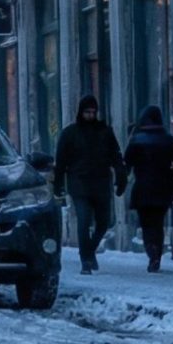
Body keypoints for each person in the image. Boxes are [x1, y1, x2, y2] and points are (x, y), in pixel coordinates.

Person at [51, 95, 126, 275]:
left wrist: (121, 176)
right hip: (79, 184)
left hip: (101, 183)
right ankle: (85, 259)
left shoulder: (105, 132)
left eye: (93, 112)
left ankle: (90, 250)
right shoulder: (70, 133)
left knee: (103, 222)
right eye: (87, 112)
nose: (90, 115)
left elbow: (116, 156)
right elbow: (60, 161)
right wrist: (58, 184)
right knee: (84, 221)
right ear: (81, 112)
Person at [122, 105, 173, 272]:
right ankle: (156, 254)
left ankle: (151, 250)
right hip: (163, 188)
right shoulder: (168, 140)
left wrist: (122, 181)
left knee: (145, 222)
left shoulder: (137, 140)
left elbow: (126, 164)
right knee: (158, 223)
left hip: (142, 188)